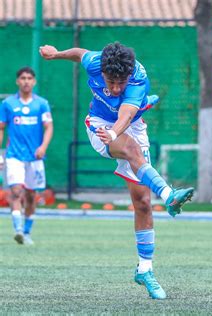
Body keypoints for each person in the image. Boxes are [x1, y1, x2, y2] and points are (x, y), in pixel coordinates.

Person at [39, 42, 194, 300]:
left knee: (143, 202)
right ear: (103, 72)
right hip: (100, 125)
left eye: (120, 83)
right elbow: (78, 53)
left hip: (128, 124)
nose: (115, 88)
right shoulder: (96, 62)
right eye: (110, 82)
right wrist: (56, 55)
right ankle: (168, 195)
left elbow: (125, 114)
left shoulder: (137, 79)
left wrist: (115, 131)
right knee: (131, 150)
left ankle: (145, 270)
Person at [0, 67, 53, 245]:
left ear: (34, 81)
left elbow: (49, 127)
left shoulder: (41, 104)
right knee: (16, 192)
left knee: (31, 196)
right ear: (17, 81)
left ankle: (27, 232)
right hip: (14, 156)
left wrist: (43, 147)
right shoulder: (8, 104)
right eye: (23, 78)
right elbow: (1, 128)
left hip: (35, 158)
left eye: (29, 78)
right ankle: (18, 230)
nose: (26, 81)